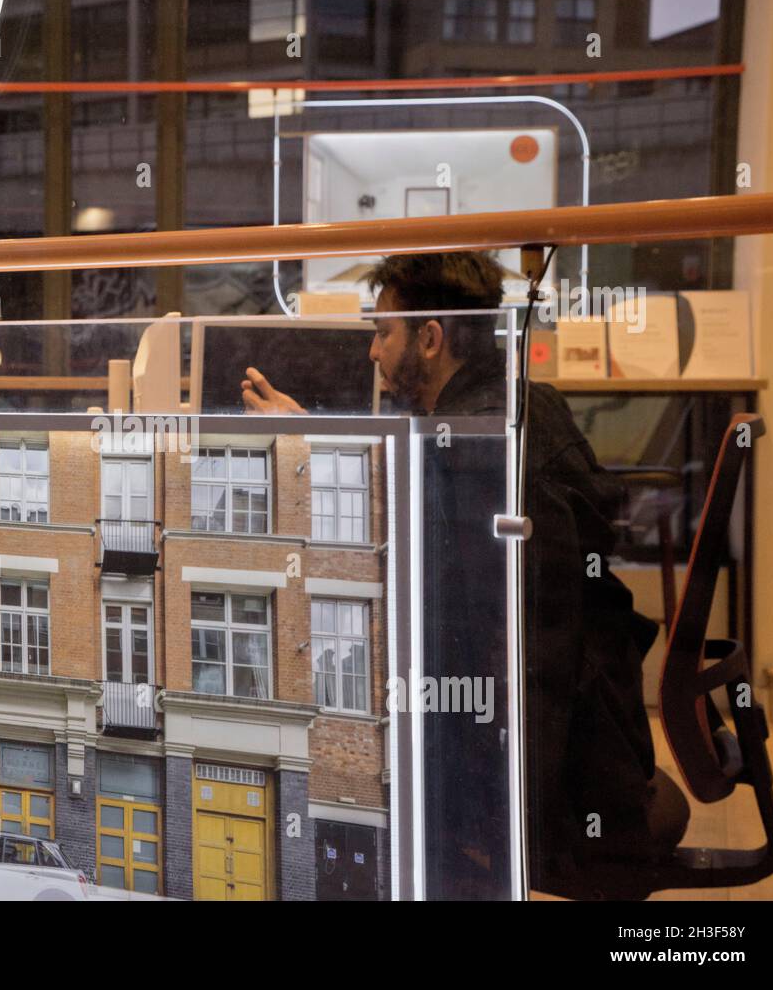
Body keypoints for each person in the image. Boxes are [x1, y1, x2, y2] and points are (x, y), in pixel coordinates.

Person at [243, 252, 688, 899]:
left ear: (431, 338)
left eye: (384, 331)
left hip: (547, 791)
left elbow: (456, 620)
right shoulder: (520, 411)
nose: (372, 351)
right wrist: (312, 431)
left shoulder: (470, 453)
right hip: (602, 748)